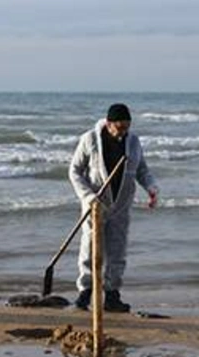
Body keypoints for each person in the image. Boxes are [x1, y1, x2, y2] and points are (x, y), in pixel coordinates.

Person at [68, 103, 159, 313]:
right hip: (95, 205)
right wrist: (88, 196)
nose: (123, 132)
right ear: (109, 124)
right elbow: (74, 171)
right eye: (120, 127)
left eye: (127, 127)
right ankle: (85, 292)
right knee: (90, 248)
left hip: (121, 205)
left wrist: (152, 188)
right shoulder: (89, 139)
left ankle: (111, 295)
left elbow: (142, 170)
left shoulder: (133, 141)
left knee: (118, 251)